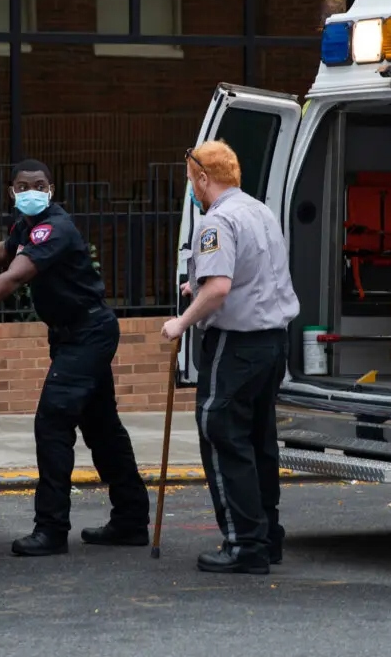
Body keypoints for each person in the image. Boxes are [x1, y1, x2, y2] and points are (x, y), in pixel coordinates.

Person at [0, 159, 150, 557]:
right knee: (101, 427)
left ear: (51, 189)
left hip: (88, 334)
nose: (31, 191)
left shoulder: (53, 227)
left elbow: (15, 274)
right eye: (23, 185)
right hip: (73, 336)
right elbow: (3, 253)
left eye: (39, 185)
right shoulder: (25, 226)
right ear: (12, 192)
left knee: (53, 421)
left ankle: (51, 529)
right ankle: (131, 521)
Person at [160, 140, 300, 575]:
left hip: (236, 346)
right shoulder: (261, 211)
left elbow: (219, 289)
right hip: (273, 342)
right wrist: (196, 287)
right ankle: (267, 537)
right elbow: (245, 275)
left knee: (222, 433)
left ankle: (244, 545)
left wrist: (181, 322)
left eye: (190, 180)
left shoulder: (215, 221)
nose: (190, 189)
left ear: (203, 177)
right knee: (259, 440)